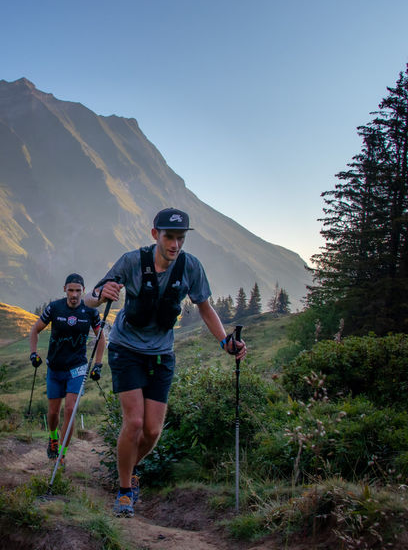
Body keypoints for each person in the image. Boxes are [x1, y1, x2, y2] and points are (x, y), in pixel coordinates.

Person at [84, 208, 247, 517]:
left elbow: (205, 307)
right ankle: (123, 491)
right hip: (126, 348)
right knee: (133, 422)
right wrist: (98, 293)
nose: (175, 244)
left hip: (161, 354)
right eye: (169, 237)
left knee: (152, 431)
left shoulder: (190, 267)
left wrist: (226, 341)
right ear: (155, 234)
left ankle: (127, 469)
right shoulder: (132, 261)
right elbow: (93, 299)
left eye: (180, 238)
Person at [29, 273, 106, 465]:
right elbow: (34, 330)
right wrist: (33, 353)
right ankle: (53, 437)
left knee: (70, 410)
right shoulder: (55, 308)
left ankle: (62, 454)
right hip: (55, 368)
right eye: (70, 290)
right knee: (53, 413)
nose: (74, 294)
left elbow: (101, 338)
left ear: (83, 291)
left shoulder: (90, 312)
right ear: (64, 289)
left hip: (77, 369)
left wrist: (98, 364)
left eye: (78, 291)